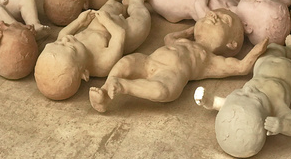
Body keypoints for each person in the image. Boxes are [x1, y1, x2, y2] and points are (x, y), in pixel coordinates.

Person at [88, 8, 269, 112]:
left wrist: (258, 49)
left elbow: (241, 68)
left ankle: (122, 86)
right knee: (126, 62)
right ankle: (104, 94)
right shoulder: (183, 41)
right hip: (148, 61)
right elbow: (169, 38)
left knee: (163, 91)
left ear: (231, 44)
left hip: (171, 75)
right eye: (213, 14)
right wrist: (188, 31)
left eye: (223, 20)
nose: (213, 15)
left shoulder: (210, 60)